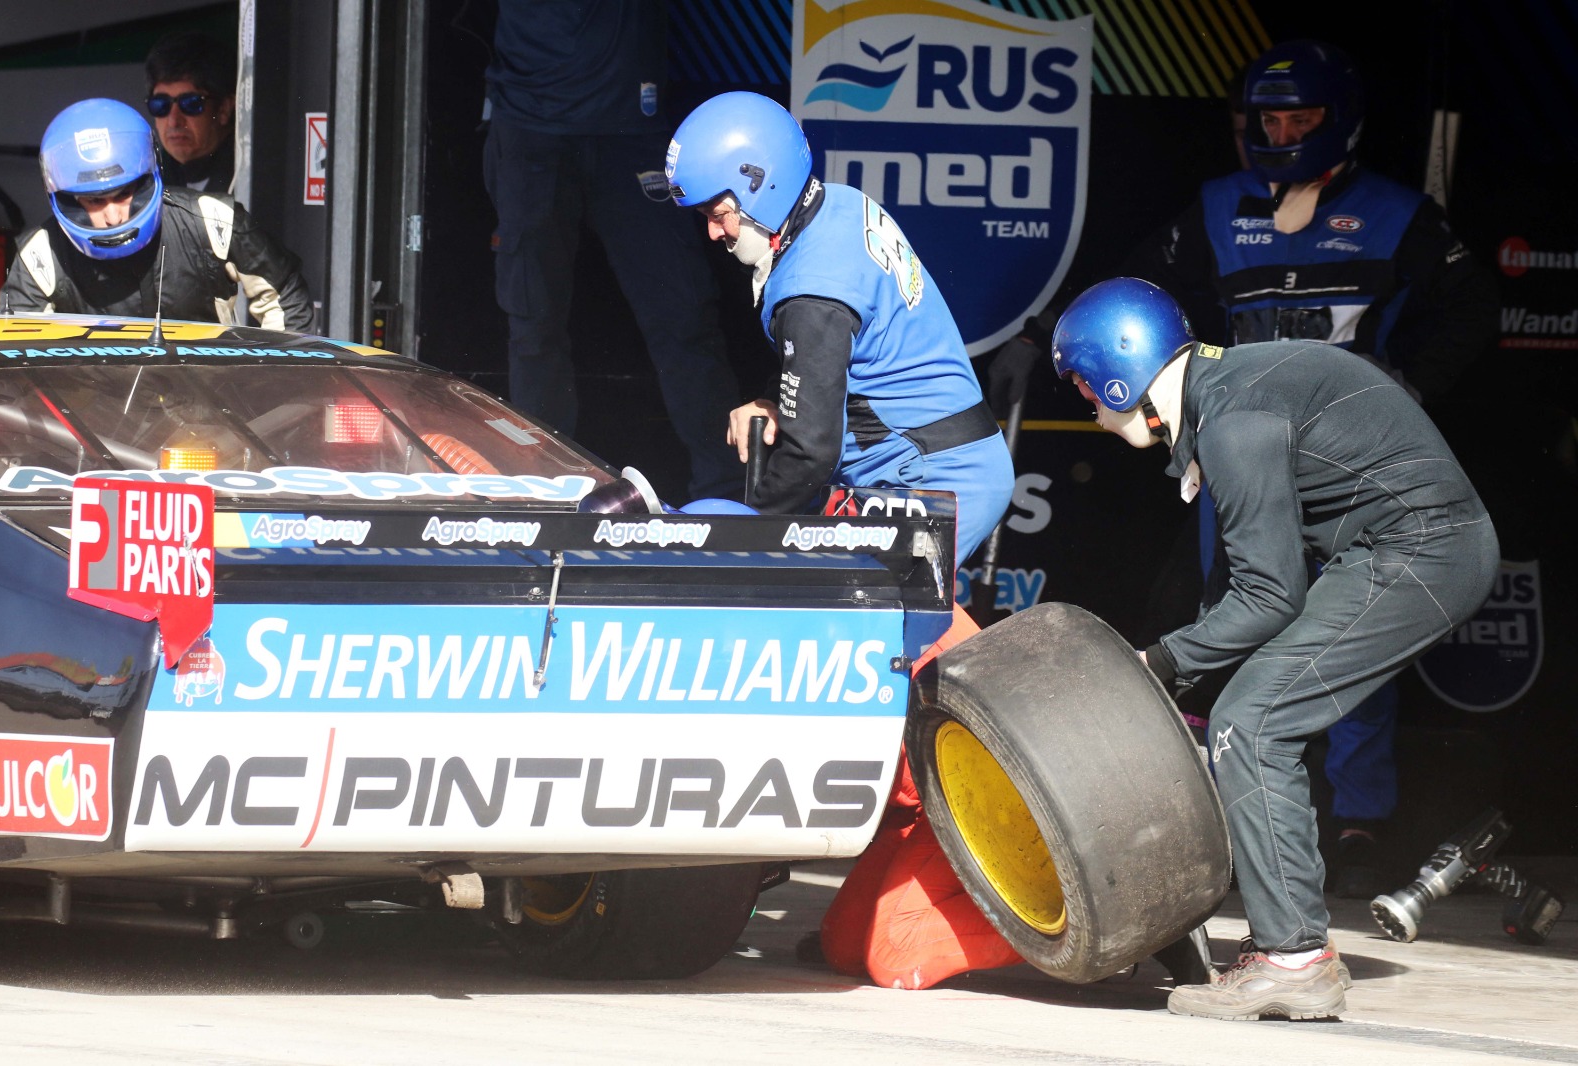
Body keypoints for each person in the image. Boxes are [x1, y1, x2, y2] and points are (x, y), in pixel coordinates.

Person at [994, 40, 1501, 897]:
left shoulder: (1395, 213)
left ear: (1339, 120)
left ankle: (1358, 818)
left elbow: (1474, 304)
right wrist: (1039, 333)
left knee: (1345, 628)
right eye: (1270, 120)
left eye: (1302, 119)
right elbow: (1129, 294)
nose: (1284, 134)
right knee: (1228, 612)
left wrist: (1409, 380)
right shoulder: (1220, 208)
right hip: (1229, 442)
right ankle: (1222, 809)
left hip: (1338, 465)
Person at [1052, 276, 1498, 1020]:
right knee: (1243, 712)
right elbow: (1239, 587)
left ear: (1119, 368)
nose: (1088, 406)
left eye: (1083, 384)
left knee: (1255, 724)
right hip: (1403, 546)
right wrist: (1180, 679)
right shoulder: (1228, 393)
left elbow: (1269, 597)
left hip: (1423, 551)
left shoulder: (1233, 422)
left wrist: (1155, 664)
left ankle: (1293, 961)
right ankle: (1285, 943)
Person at [665, 90, 1017, 989]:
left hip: (928, 481)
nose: (713, 232)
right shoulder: (835, 208)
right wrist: (773, 403)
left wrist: (759, 547)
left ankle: (992, 813)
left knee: (838, 637)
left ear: (764, 184)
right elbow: (835, 383)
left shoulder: (809, 292)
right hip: (924, 463)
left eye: (720, 210)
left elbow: (809, 454)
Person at [481, 0, 743, 501]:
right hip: (530, 127)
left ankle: (726, 495)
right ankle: (543, 493)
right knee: (534, 322)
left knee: (684, 315)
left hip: (631, 126)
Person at [0, 98, 314, 332]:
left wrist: (270, 388)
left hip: (208, 395)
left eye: (123, 194)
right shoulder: (40, 256)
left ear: (149, 177)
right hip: (95, 400)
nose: (113, 217)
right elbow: (16, 350)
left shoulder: (212, 220)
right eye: (94, 201)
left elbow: (286, 294)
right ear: (67, 198)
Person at [144, 30, 237, 194]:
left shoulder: (251, 176)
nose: (174, 120)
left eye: (191, 103)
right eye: (161, 105)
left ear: (224, 108)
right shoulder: (147, 182)